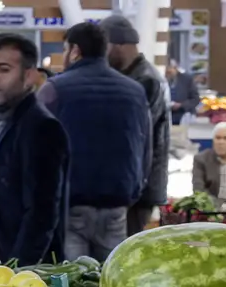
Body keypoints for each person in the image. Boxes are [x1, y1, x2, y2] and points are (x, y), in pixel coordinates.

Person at [37, 23, 150, 261]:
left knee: (75, 281)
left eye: (65, 48)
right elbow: (145, 146)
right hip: (117, 204)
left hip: (71, 205)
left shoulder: (55, 89)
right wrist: (134, 189)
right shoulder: (135, 91)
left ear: (75, 51)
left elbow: (37, 148)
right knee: (110, 279)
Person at [0, 33, 69, 265]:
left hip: (8, 278)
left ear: (29, 76)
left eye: (3, 69)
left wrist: (16, 273)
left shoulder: (41, 128)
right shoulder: (1, 121)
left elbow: (42, 215)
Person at [100, 15, 169, 236]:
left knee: (125, 251)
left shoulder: (146, 80)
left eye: (105, 46)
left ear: (120, 44)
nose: (102, 54)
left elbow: (135, 138)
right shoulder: (132, 76)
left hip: (138, 190)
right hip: (130, 184)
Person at [166, 59, 200, 125]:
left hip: (184, 115)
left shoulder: (187, 79)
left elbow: (195, 99)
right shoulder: (161, 80)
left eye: (170, 71)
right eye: (166, 72)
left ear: (176, 68)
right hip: (167, 116)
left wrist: (181, 105)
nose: (168, 74)